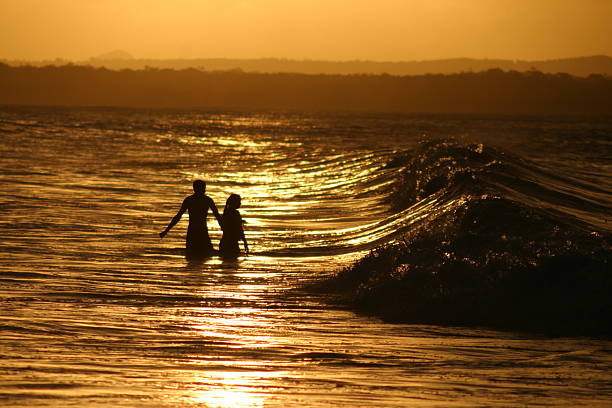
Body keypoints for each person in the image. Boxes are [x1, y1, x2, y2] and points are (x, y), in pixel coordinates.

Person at [159, 180, 222, 258]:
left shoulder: (190, 200)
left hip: (194, 230)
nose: (204, 190)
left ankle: (191, 269)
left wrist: (166, 231)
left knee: (193, 254)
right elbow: (217, 216)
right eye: (203, 188)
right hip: (200, 230)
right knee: (206, 254)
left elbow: (178, 216)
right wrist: (166, 230)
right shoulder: (206, 200)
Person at [219, 194, 248, 258]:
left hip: (224, 242)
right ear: (234, 203)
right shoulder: (235, 213)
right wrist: (245, 242)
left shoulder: (226, 212)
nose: (240, 203)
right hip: (232, 243)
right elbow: (240, 229)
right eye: (239, 201)